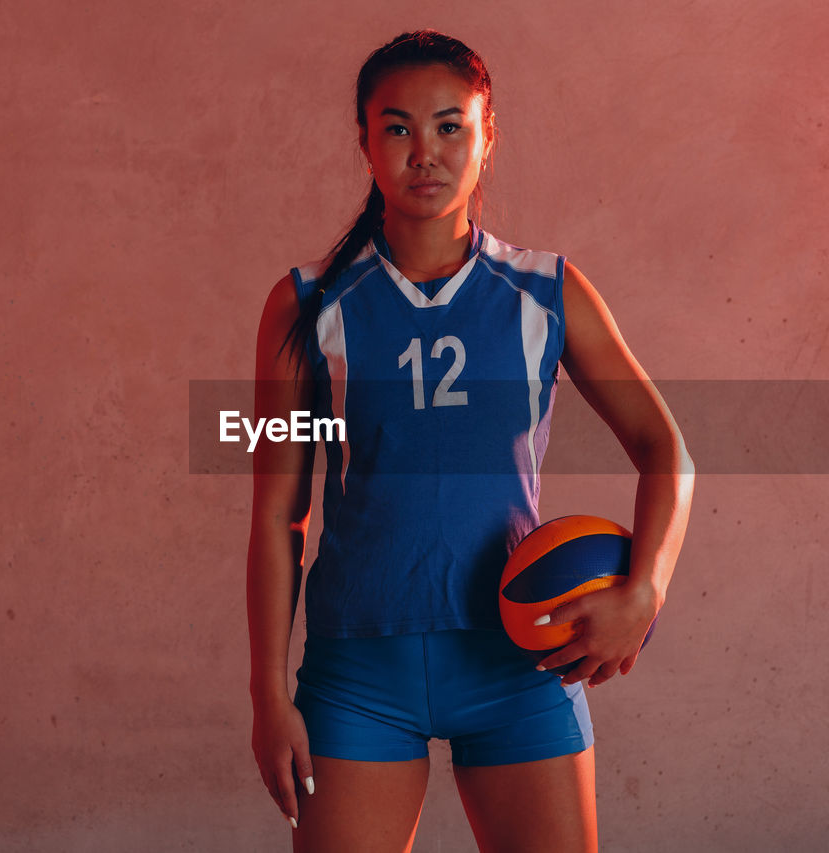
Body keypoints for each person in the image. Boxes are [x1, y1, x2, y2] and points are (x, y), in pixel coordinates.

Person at [246, 29, 694, 852]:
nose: (426, 152)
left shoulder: (546, 293)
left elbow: (666, 448)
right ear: (364, 141)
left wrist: (646, 590)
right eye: (398, 127)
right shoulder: (309, 307)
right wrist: (267, 695)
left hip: (518, 664)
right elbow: (280, 512)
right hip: (358, 673)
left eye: (452, 126)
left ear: (489, 139)